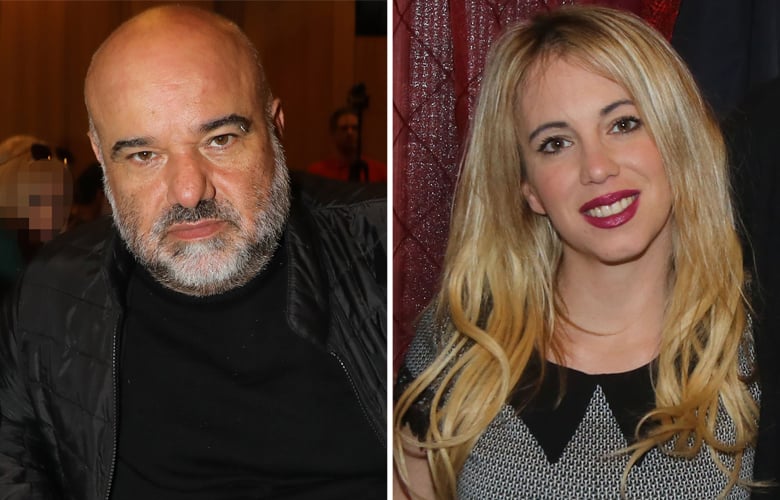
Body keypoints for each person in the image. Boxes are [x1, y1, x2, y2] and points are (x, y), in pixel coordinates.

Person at [0, 5, 386, 500]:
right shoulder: (49, 299)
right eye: (143, 155)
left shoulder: (388, 251)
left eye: (220, 139)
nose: (188, 192)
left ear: (276, 129)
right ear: (100, 156)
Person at [393, 6, 766, 499]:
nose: (596, 167)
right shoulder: (460, 343)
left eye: (623, 124)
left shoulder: (751, 342)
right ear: (528, 188)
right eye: (555, 143)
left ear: (677, 138)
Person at [306, 107, 387, 183]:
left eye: (355, 128)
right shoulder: (317, 173)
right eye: (344, 128)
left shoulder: (380, 172)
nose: (350, 133)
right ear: (333, 133)